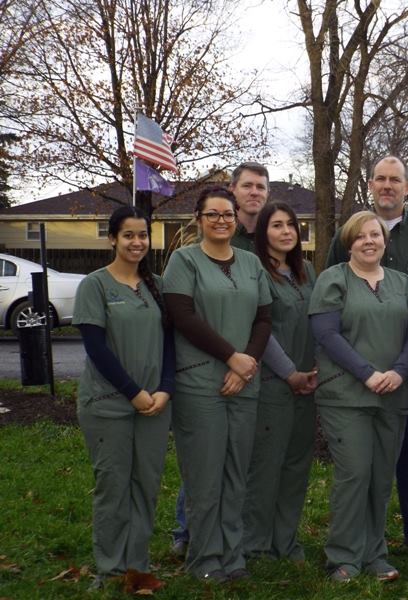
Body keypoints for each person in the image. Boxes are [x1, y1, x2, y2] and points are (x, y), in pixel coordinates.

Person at [326, 155, 408, 555]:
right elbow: (331, 290)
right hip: (356, 365)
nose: (387, 186)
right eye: (380, 178)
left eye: (395, 180)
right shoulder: (347, 233)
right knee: (359, 461)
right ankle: (356, 538)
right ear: (370, 184)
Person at [163, 187, 272, 582]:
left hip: (244, 383)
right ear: (199, 218)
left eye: (227, 214)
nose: (221, 220)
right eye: (213, 214)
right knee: (205, 476)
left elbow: (264, 318)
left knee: (236, 473)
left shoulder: (251, 263)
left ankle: (232, 554)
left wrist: (246, 364)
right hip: (200, 383)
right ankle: (205, 558)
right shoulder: (184, 260)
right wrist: (231, 357)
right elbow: (183, 317)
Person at [312, 210, 408, 582]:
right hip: (346, 396)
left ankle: (375, 553)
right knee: (355, 473)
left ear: (384, 241)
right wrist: (367, 373)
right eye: (360, 236)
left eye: (375, 234)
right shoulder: (334, 280)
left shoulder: (406, 285)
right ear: (349, 243)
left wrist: (399, 372)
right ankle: (343, 557)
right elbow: (327, 335)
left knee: (380, 476)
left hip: (393, 393)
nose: (368, 241)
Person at [74, 205, 174, 590]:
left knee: (145, 485)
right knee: (113, 486)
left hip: (154, 404)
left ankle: (137, 564)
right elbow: (96, 349)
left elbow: (170, 344)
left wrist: (165, 388)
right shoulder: (95, 286)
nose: (137, 242)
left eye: (142, 235)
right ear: (112, 239)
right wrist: (133, 393)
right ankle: (110, 569)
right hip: (109, 404)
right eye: (128, 235)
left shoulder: (157, 286)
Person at [242, 201, 318, 562]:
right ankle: (255, 544)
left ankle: (285, 541)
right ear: (263, 232)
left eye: (291, 224)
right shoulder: (255, 271)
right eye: (277, 225)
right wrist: (289, 373)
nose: (286, 231)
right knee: (266, 466)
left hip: (308, 385)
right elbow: (260, 330)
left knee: (296, 465)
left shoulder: (307, 272)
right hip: (273, 383)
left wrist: (313, 371)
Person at [230, 162, 270, 252]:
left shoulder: (276, 239)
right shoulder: (216, 238)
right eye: (247, 186)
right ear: (232, 190)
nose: (254, 193)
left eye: (260, 187)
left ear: (267, 193)